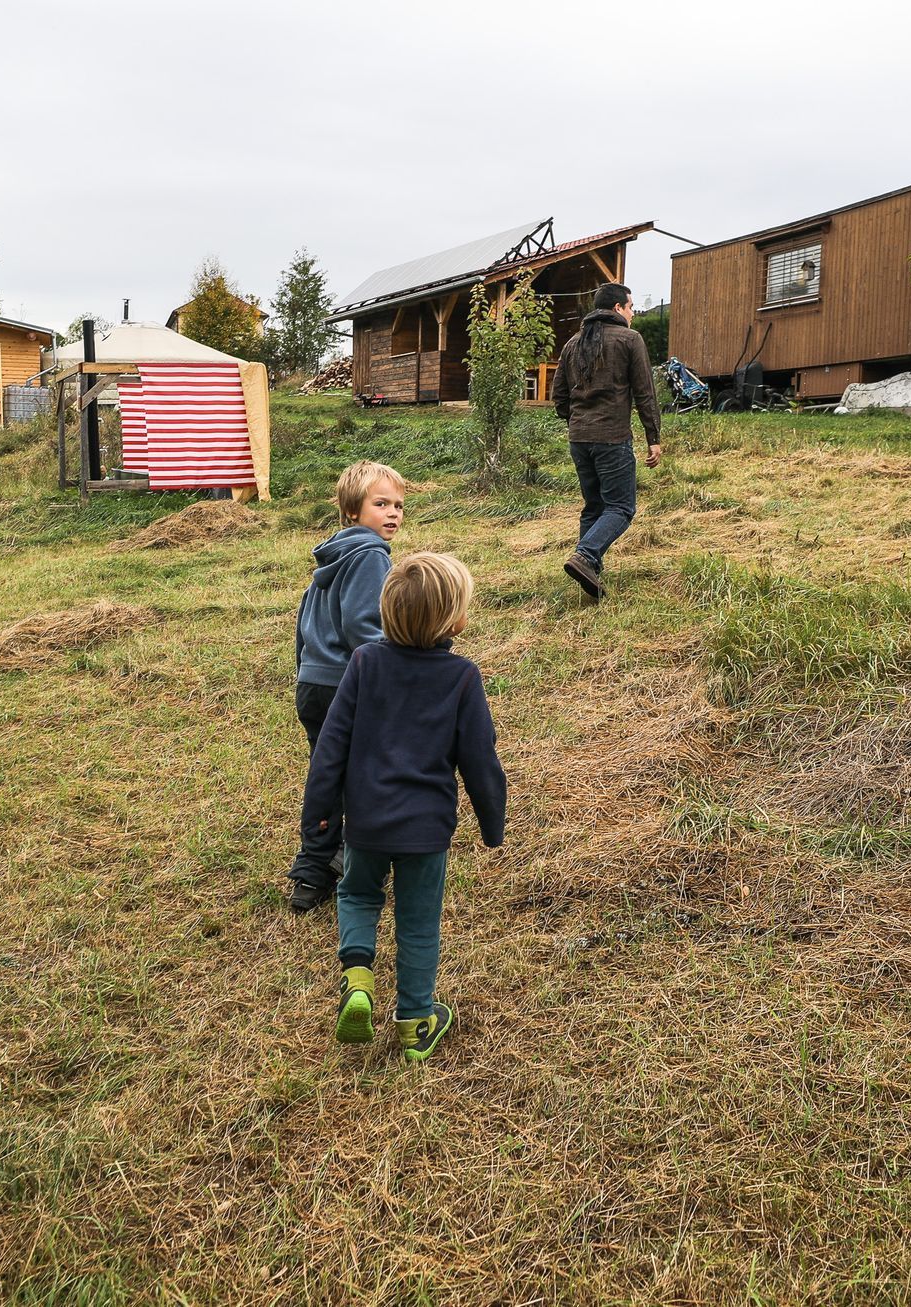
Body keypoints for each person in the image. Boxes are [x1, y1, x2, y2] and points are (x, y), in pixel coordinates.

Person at [301, 552, 506, 1063]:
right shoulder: (462, 677)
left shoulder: (364, 663)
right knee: (417, 921)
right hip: (426, 830)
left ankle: (359, 983)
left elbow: (331, 746)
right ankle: (416, 1021)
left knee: (358, 894)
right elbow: (480, 760)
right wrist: (492, 822)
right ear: (454, 620)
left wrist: (319, 813)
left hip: (365, 821)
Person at [287, 460, 404, 914]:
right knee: (365, 780)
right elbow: (365, 628)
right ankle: (352, 864)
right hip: (347, 687)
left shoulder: (332, 556)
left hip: (313, 684)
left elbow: (303, 627)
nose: (392, 513)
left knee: (326, 778)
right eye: (381, 504)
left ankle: (313, 871)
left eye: (398, 505)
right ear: (353, 510)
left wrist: (307, 672)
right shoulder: (371, 555)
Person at [550, 282, 663, 600]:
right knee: (621, 508)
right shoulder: (629, 339)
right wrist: (653, 437)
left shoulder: (573, 342)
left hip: (579, 439)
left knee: (594, 507)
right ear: (617, 308)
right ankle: (585, 556)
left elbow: (559, 396)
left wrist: (576, 420)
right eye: (630, 307)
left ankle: (589, 577)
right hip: (611, 438)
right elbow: (645, 392)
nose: (633, 313)